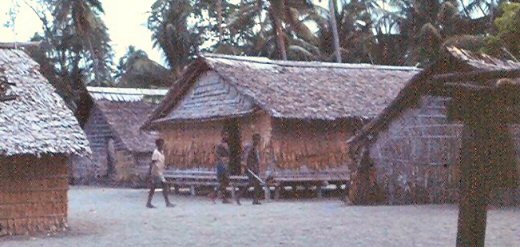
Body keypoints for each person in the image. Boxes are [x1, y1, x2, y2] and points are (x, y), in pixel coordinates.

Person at [146, 139, 175, 208]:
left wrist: (165, 166)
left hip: (160, 172)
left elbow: (160, 162)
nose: (163, 146)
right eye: (162, 144)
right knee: (163, 185)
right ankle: (167, 203)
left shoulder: (161, 152)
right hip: (156, 172)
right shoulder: (155, 153)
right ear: (158, 145)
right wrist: (149, 173)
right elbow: (152, 163)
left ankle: (149, 203)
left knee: (154, 188)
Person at [236, 133, 263, 205]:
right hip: (249, 168)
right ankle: (238, 196)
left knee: (257, 183)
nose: (258, 141)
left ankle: (255, 200)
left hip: (254, 169)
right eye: (257, 139)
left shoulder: (255, 147)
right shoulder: (250, 147)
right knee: (251, 183)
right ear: (254, 139)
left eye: (259, 139)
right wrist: (244, 164)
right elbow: (246, 156)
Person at [212, 131, 232, 204]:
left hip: (226, 164)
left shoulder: (226, 144)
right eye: (225, 135)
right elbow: (216, 154)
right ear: (222, 136)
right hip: (221, 165)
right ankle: (216, 195)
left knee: (226, 181)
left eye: (227, 135)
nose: (227, 136)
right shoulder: (219, 145)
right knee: (222, 181)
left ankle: (220, 196)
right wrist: (222, 159)